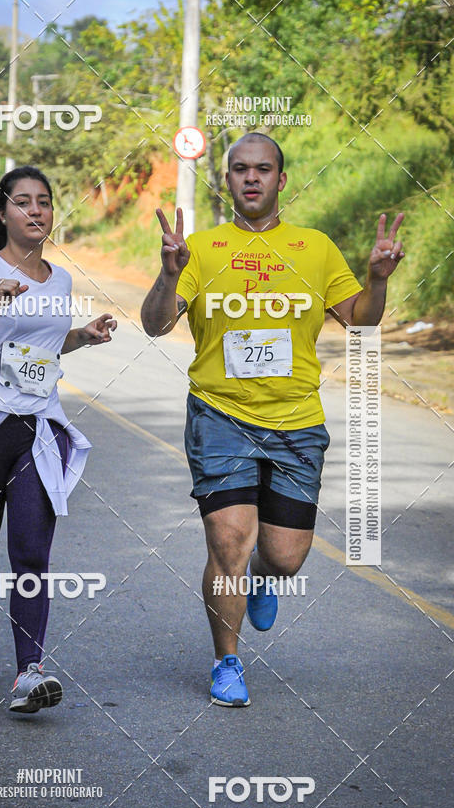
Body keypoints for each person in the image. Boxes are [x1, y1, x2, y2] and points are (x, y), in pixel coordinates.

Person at [141, 132, 404, 707]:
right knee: (229, 541)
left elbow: (360, 323)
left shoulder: (315, 248)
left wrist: (378, 281)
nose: (252, 178)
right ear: (227, 180)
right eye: (240, 169)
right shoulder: (201, 250)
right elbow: (155, 325)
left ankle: (262, 576)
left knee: (285, 558)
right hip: (220, 416)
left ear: (282, 180)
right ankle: (227, 661)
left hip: (295, 423)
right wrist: (168, 274)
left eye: (263, 169)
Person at [0, 165, 117, 713]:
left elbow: (43, 346)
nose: (36, 211)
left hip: (38, 429)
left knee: (32, 553)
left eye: (44, 202)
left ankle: (28, 672)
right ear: (3, 213)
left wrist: (81, 336)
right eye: (23, 202)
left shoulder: (58, 280)